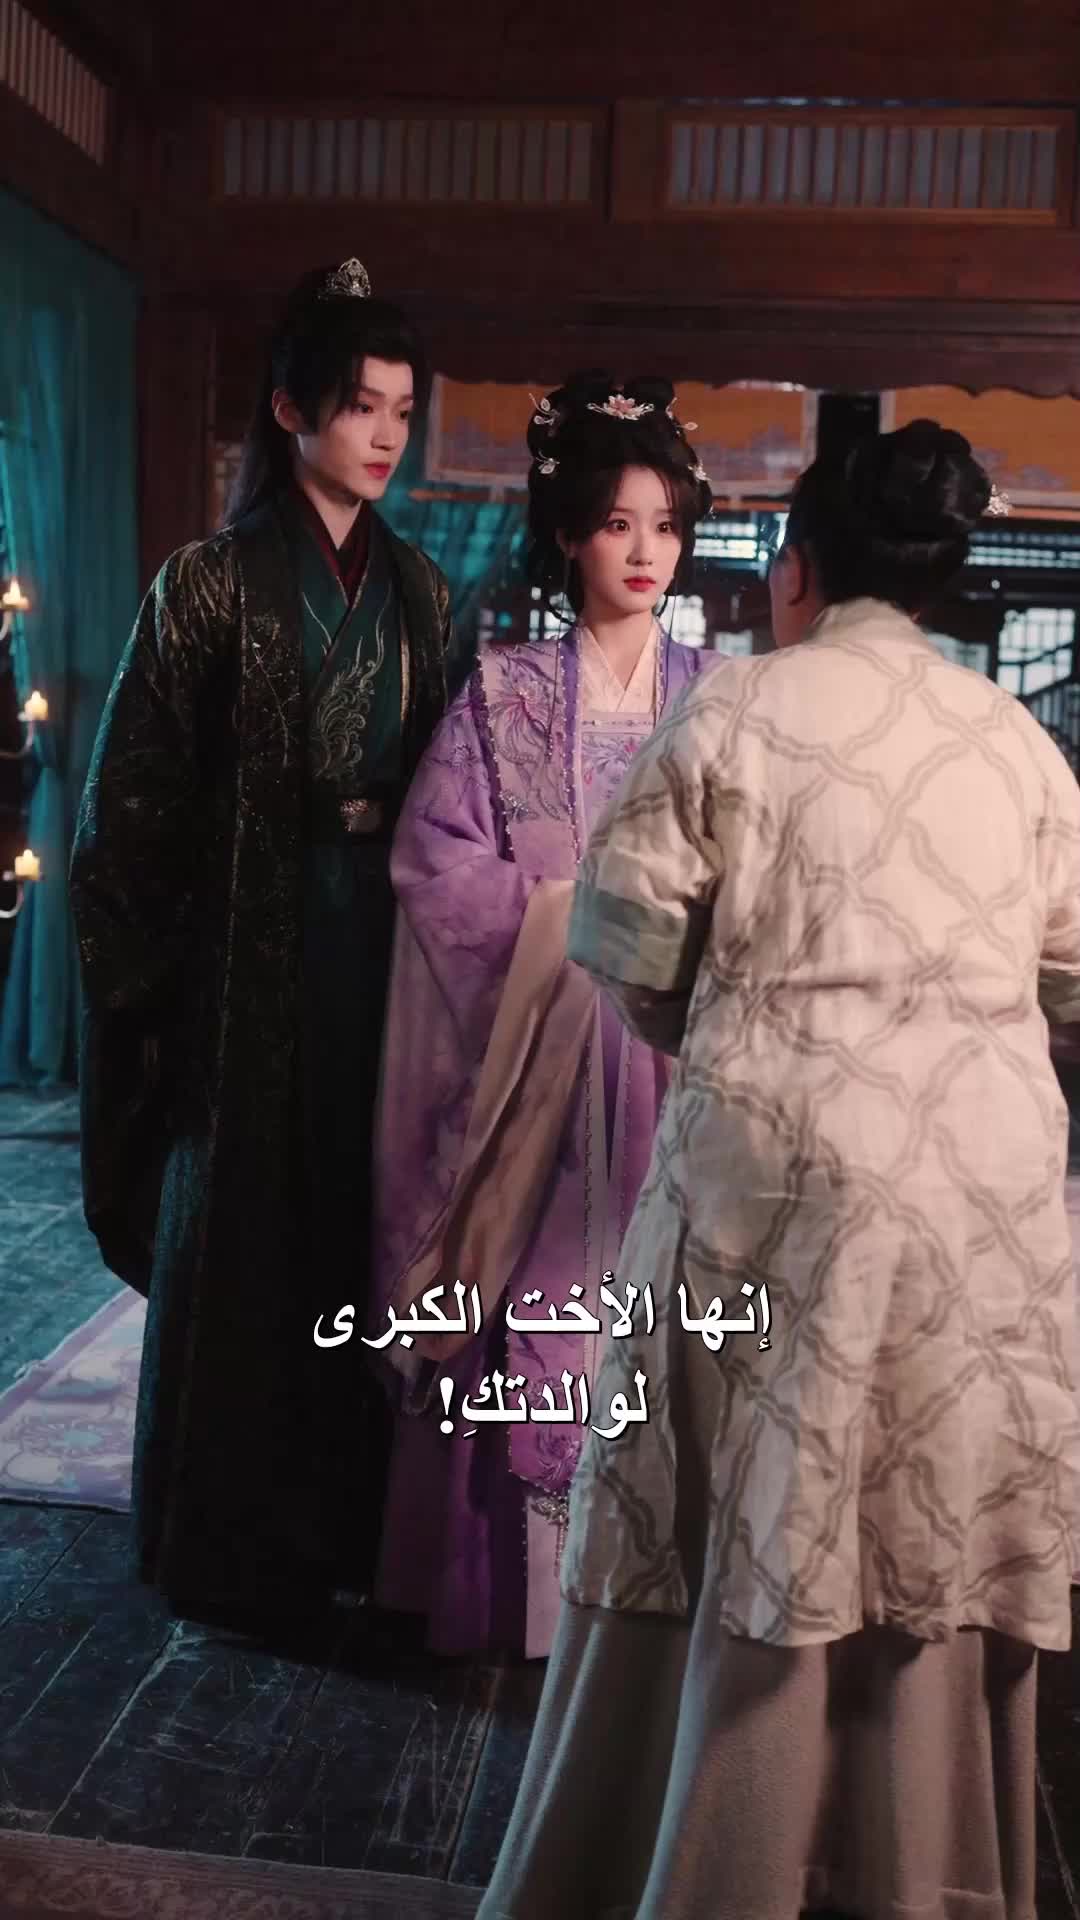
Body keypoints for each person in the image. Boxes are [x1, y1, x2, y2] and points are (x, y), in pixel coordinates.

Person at [477, 420, 1080, 1918]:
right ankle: (923, 1875)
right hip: (982, 1198)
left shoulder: (735, 709)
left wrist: (741, 1029)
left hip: (774, 1177)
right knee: (928, 1504)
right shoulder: (1018, 743)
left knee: (734, 1497)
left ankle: (697, 1865)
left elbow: (628, 953)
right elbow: (1070, 985)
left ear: (794, 571)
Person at [70, 258, 473, 1630]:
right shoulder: (205, 586)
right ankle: (229, 1549)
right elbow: (130, 810)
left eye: (403, 411)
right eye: (360, 405)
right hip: (243, 969)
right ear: (291, 409)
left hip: (385, 963)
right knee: (245, 1246)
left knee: (366, 1235)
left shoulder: (423, 594)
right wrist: (159, 991)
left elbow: (454, 794)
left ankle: (357, 1534)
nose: (385, 434)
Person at [369, 371, 718, 1657]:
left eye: (665, 526)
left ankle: (657, 1599)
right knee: (537, 1292)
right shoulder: (503, 691)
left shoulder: (717, 695)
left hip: (675, 1051)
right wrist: (573, 921)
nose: (645, 552)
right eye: (618, 524)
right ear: (570, 533)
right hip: (541, 1058)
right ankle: (520, 1603)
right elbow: (436, 864)